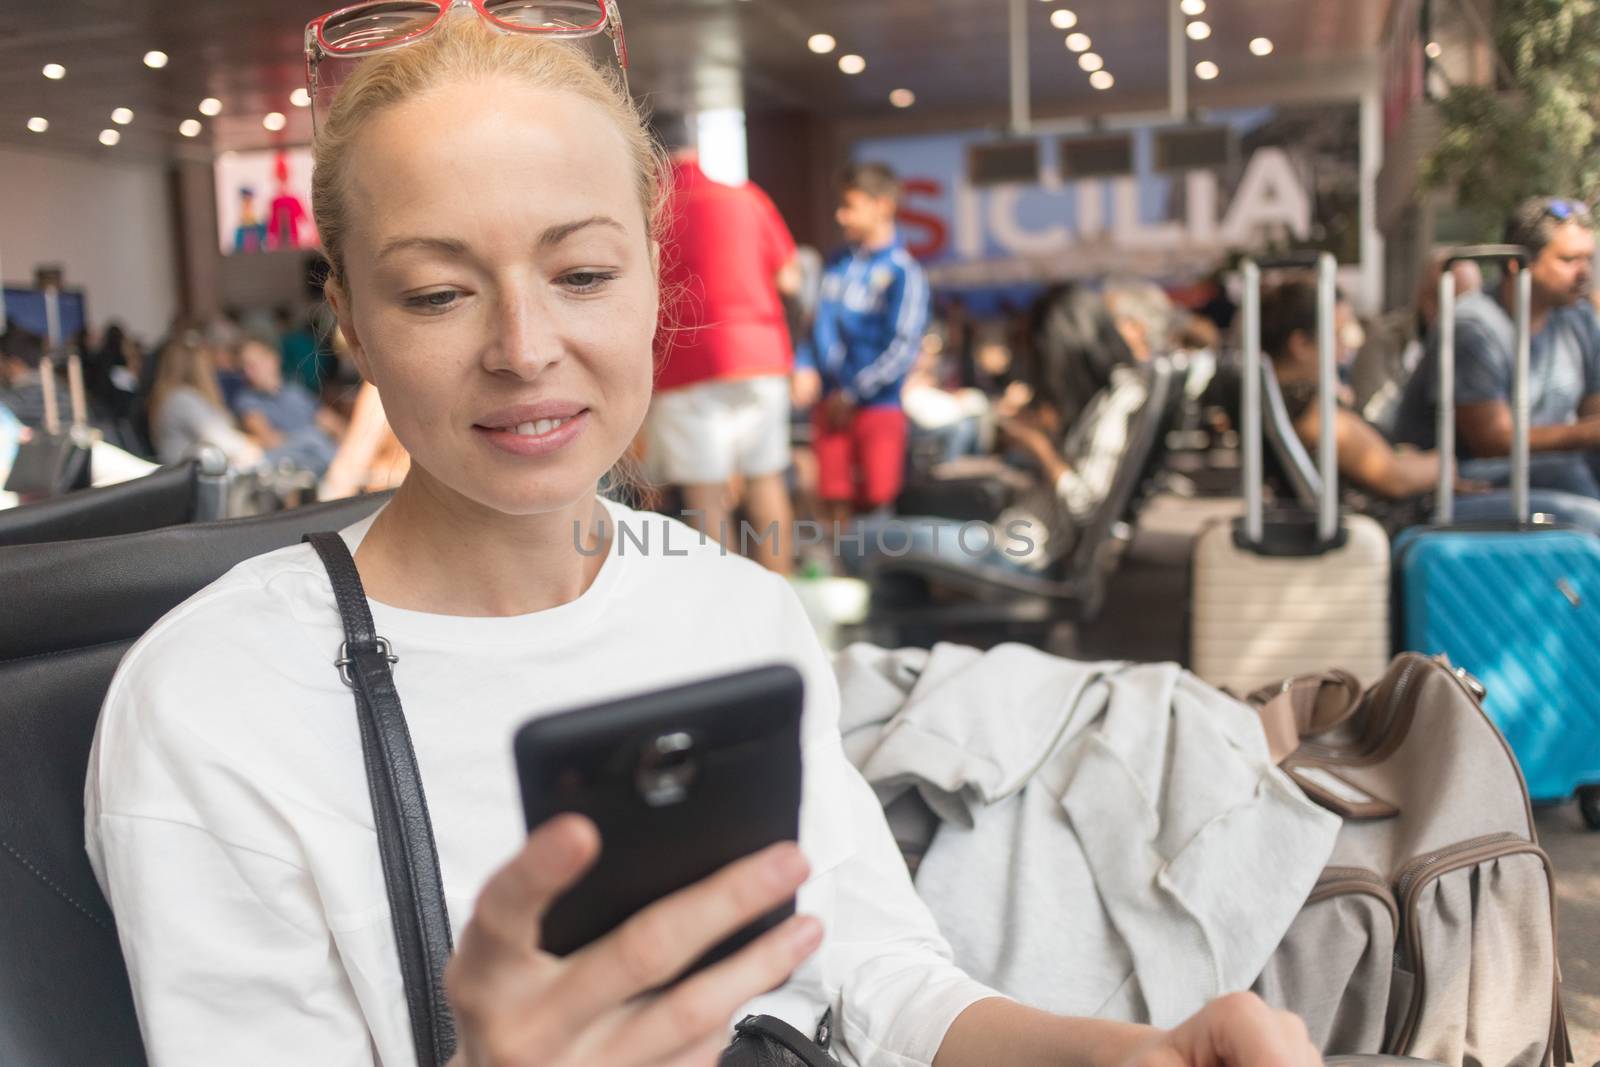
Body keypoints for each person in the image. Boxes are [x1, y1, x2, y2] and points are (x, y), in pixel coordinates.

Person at [85, 12, 1319, 1067]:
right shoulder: (219, 700)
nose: (524, 347)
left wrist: (1139, 1050)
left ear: (652, 286)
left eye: (580, 273)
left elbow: (883, 984)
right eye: (438, 291)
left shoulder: (731, 610)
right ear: (347, 315)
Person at [1261, 277, 1600, 533]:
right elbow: (1394, 478)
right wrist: (1441, 464)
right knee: (1584, 516)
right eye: (1337, 334)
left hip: (1417, 508)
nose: (1346, 346)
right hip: (1414, 519)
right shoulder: (1312, 411)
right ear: (1300, 344)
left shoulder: (1297, 403)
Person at [642, 111, 801, 573]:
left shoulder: (652, 207)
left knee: (706, 494)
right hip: (761, 357)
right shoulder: (747, 197)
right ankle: (780, 593)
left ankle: (728, 613)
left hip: (689, 362)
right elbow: (790, 278)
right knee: (766, 479)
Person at [1395, 197, 1600, 496]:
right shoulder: (1472, 326)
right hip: (1464, 480)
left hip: (1543, 470)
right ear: (1516, 264)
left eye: (1588, 259)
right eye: (1568, 260)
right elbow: (1492, 442)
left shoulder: (1579, 318)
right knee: (1569, 477)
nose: (1585, 273)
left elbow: (1592, 413)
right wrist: (1589, 433)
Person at [794, 163, 929, 527]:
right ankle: (841, 575)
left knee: (876, 501)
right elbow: (815, 324)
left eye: (850, 206)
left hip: (876, 407)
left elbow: (903, 347)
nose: (841, 216)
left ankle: (874, 578)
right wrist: (804, 365)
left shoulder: (905, 271)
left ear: (882, 205)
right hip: (830, 404)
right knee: (831, 498)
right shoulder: (837, 263)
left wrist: (855, 392)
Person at [145, 334, 263, 468]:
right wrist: (256, 443)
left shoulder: (173, 397)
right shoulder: (182, 399)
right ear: (201, 365)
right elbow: (227, 444)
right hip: (195, 479)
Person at [235, 337, 343, 476]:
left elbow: (332, 423)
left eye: (256, 363)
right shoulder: (247, 400)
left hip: (324, 454)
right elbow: (269, 439)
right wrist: (312, 435)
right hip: (293, 461)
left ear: (273, 359)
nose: (251, 372)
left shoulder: (295, 391)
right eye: (246, 367)